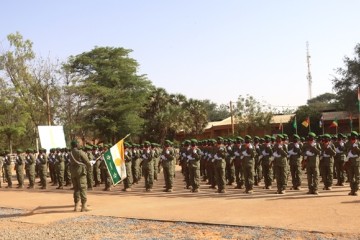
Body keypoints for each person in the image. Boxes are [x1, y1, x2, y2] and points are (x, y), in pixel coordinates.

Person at [69, 140, 91, 212]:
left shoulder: (70, 153)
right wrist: (89, 166)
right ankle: (84, 206)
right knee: (83, 188)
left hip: (73, 172)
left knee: (76, 189)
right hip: (81, 172)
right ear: (76, 145)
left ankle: (76, 206)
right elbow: (87, 161)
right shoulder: (80, 152)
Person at [345, 131, 360, 196]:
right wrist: (348, 154)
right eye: (352, 138)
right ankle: (352, 190)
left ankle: (356, 189)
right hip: (350, 162)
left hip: (357, 162)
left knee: (357, 176)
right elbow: (344, 150)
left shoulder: (358, 143)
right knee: (351, 177)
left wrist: (357, 148)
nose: (353, 140)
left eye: (354, 138)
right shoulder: (347, 143)